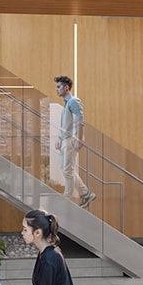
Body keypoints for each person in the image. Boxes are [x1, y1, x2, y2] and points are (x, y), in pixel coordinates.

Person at [54, 75, 96, 208]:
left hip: (72, 140)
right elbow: (67, 124)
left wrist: (78, 139)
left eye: (59, 87)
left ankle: (67, 197)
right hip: (65, 139)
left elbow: (80, 122)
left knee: (67, 169)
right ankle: (85, 193)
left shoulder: (73, 101)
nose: (57, 89)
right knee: (66, 168)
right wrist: (59, 138)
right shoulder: (66, 103)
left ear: (66, 88)